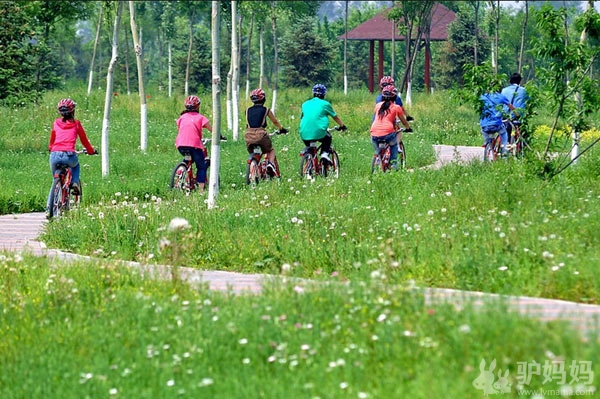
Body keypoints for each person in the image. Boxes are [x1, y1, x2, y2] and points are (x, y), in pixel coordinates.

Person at [47, 98, 97, 215]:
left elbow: (52, 139)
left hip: (54, 155)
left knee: (55, 179)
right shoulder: (76, 124)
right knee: (76, 166)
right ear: (73, 111)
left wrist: (51, 148)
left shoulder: (55, 123)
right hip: (69, 155)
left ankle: (49, 208)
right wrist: (90, 151)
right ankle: (74, 182)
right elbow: (84, 141)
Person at [244, 88, 288, 176]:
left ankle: (256, 168)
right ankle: (270, 164)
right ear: (263, 98)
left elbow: (248, 123)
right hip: (260, 134)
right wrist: (281, 129)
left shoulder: (247, 110)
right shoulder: (266, 110)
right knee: (270, 150)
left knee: (254, 151)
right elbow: (275, 121)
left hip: (248, 135)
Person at [299, 84, 347, 163]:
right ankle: (324, 154)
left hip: (304, 132)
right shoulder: (325, 104)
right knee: (327, 138)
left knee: (310, 147)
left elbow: (303, 117)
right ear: (324, 94)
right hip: (319, 132)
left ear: (313, 93)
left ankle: (309, 162)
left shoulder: (305, 104)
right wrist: (342, 126)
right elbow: (335, 117)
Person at [175, 95, 212, 192]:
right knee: (201, 166)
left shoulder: (182, 117)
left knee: (188, 159)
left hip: (180, 145)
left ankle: (181, 170)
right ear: (198, 106)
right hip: (194, 145)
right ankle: (201, 190)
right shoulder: (200, 117)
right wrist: (219, 136)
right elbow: (212, 130)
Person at [370, 85, 412, 169]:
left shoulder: (378, 105)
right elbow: (403, 121)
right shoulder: (396, 107)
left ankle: (378, 156)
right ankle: (394, 164)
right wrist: (408, 128)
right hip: (388, 133)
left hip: (374, 133)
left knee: (377, 148)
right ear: (394, 97)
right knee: (393, 145)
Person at [480, 81, 520, 156]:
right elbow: (511, 107)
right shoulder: (501, 96)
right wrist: (517, 115)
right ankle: (505, 152)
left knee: (484, 130)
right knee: (504, 134)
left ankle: (487, 143)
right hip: (496, 124)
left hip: (484, 124)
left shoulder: (483, 96)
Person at [501, 72, 529, 138]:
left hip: (505, 115)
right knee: (521, 132)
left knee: (505, 132)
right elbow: (528, 101)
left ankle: (506, 144)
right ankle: (520, 145)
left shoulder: (504, 90)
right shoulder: (524, 91)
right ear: (520, 81)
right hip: (518, 116)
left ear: (510, 80)